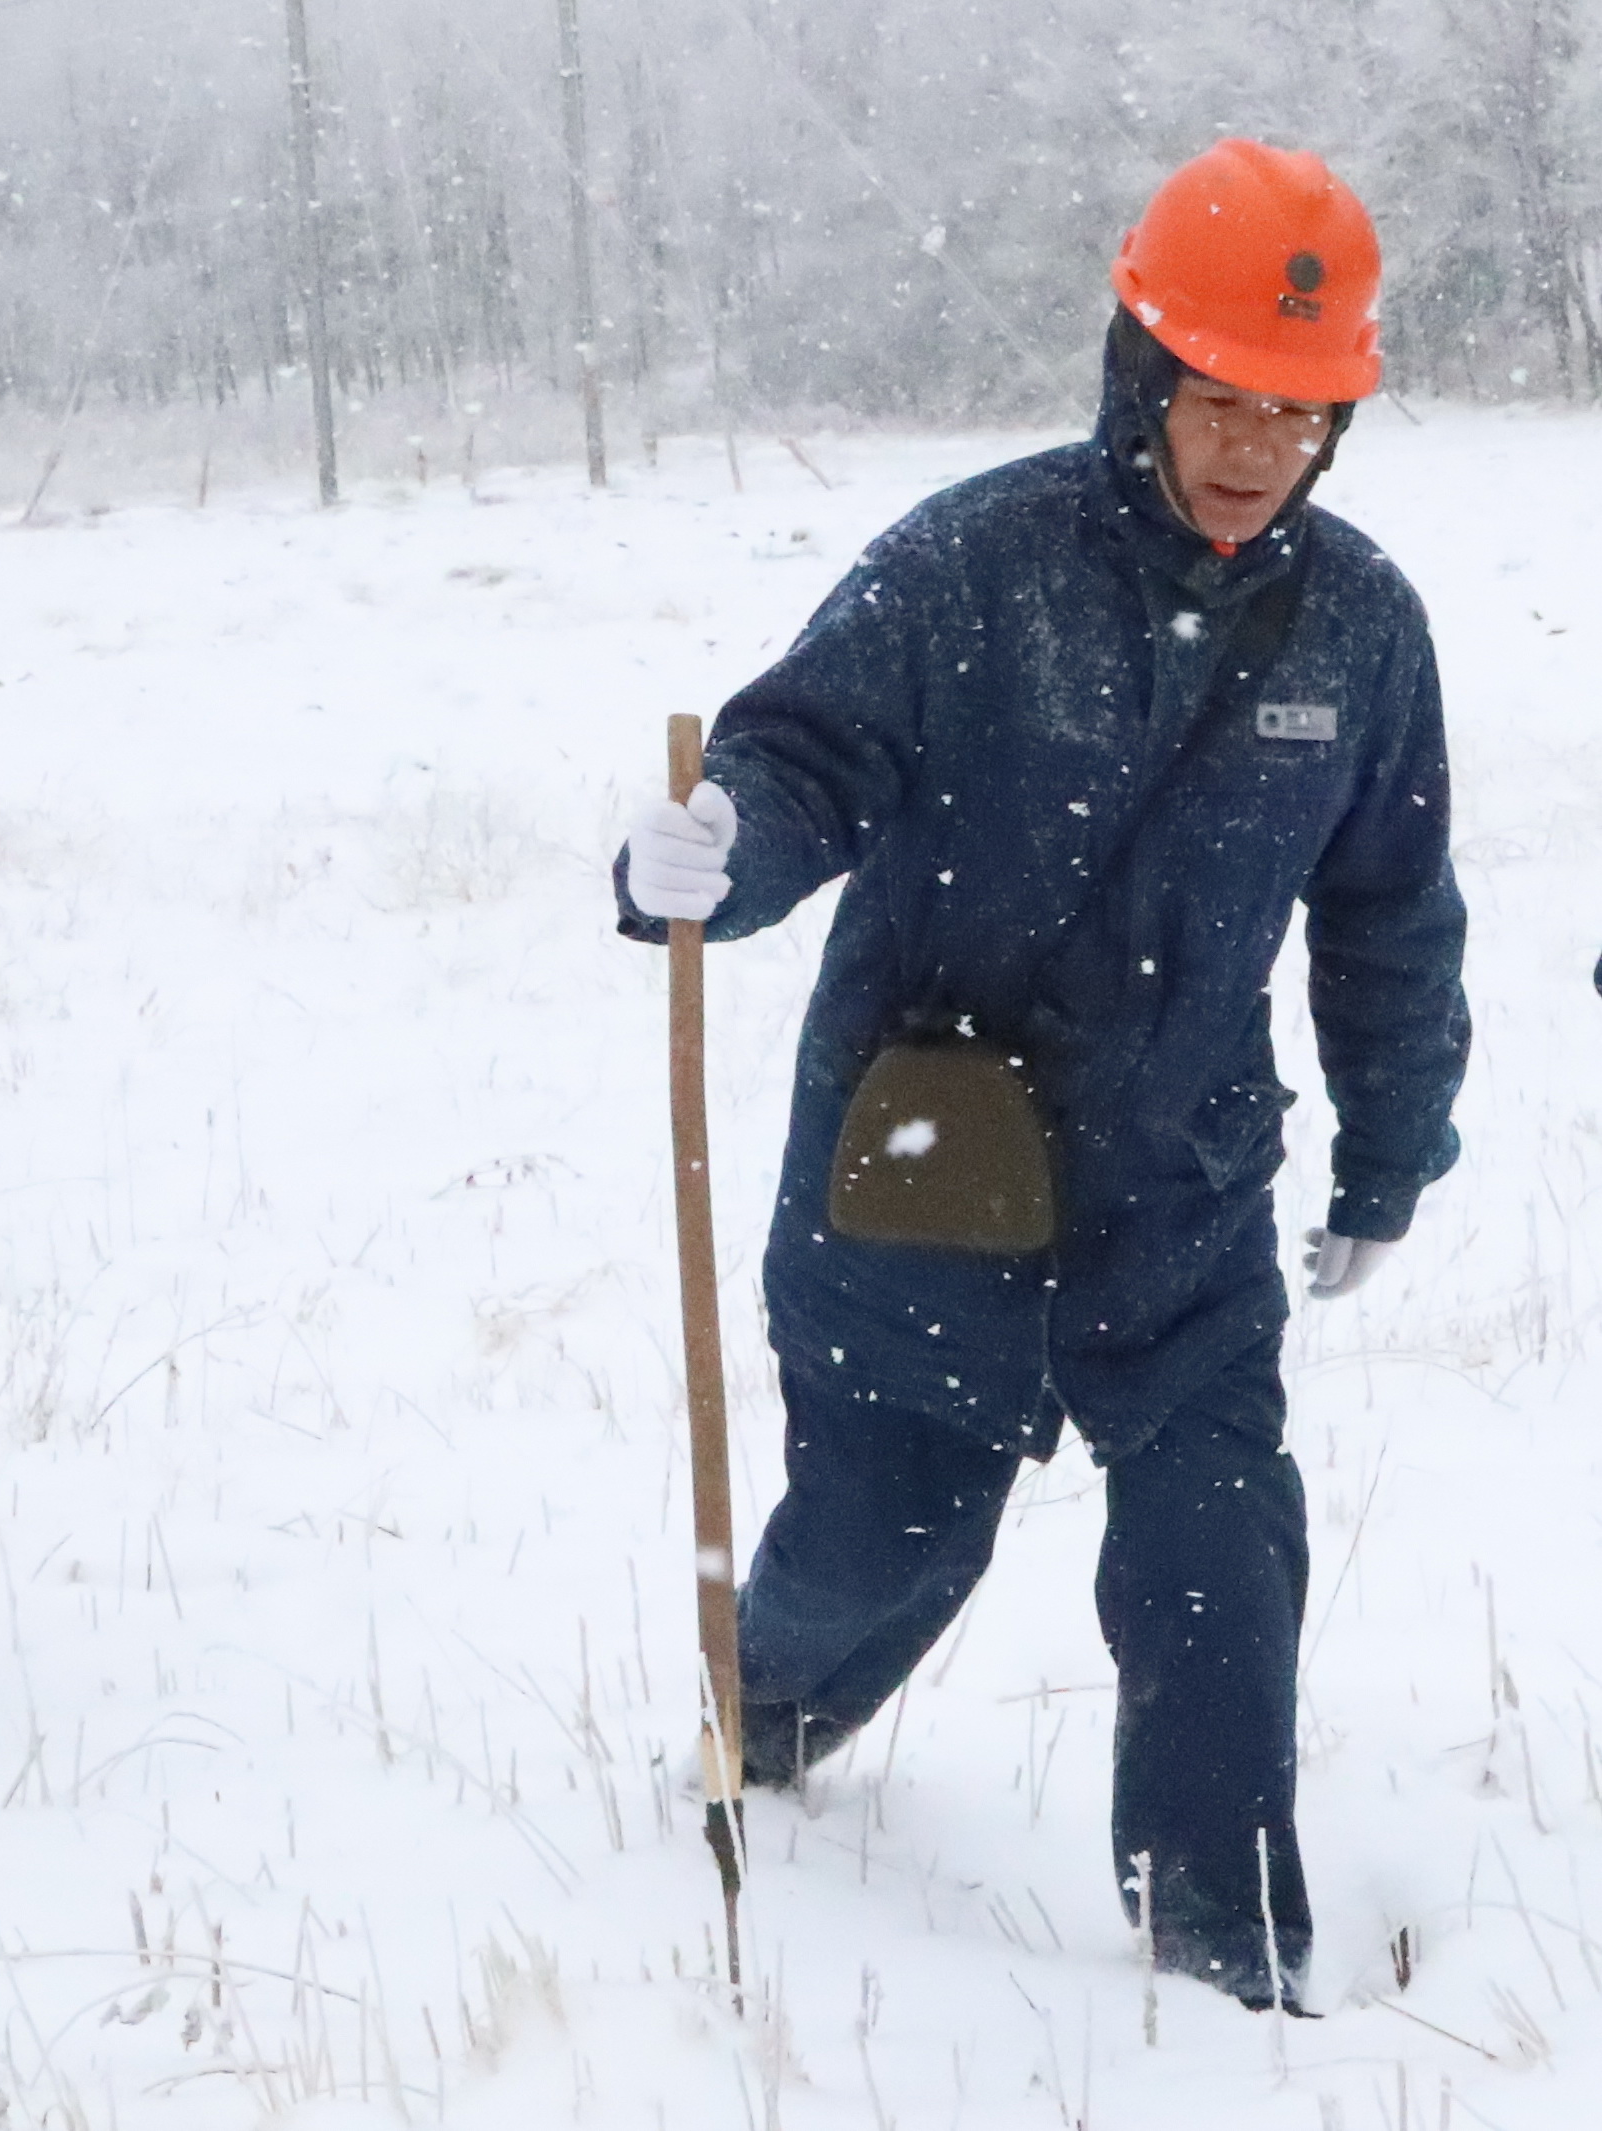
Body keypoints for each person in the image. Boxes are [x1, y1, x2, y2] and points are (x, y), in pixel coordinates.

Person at [618, 140, 1468, 2010]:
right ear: (1141, 369)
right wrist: (717, 851)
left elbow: (1391, 917)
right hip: (926, 1155)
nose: (1254, 447)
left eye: (1299, 412)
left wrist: (1392, 1155)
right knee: (884, 1541)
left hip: (1180, 1184)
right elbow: (800, 756)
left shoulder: (1358, 627)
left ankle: (1226, 1965)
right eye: (1221, 396)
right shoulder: (974, 564)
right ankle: (754, 1727)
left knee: (1218, 1554)